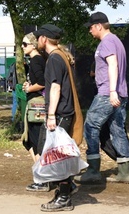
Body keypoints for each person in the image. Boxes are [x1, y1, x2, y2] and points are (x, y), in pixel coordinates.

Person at [74, 12, 129, 184]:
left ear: (99, 26)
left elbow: (113, 65)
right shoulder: (116, 41)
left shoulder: (106, 42)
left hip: (108, 93)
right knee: (117, 129)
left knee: (91, 126)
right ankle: (124, 173)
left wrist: (112, 91)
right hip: (120, 93)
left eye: (91, 27)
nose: (90, 31)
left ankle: (93, 170)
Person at [34, 24, 82, 212]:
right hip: (64, 112)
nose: (37, 41)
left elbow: (55, 88)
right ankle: (66, 188)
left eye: (38, 37)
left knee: (57, 157)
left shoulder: (54, 58)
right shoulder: (61, 56)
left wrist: (51, 115)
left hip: (60, 113)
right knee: (58, 155)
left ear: (44, 39)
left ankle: (64, 198)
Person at [20, 32, 47, 191]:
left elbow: (42, 82)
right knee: (29, 140)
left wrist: (30, 88)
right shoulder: (39, 60)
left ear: (32, 45)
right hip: (38, 103)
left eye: (24, 44)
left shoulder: (36, 61)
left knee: (34, 141)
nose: (22, 47)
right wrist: (28, 85)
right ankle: (41, 174)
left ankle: (41, 178)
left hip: (37, 105)